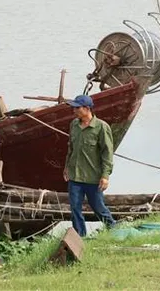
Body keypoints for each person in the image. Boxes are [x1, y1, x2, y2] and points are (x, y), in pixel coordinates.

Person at [63, 94, 116, 237]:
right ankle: (80, 237)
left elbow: (107, 153)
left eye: (77, 108)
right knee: (75, 208)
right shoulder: (74, 125)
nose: (74, 110)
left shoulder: (101, 127)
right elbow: (71, 148)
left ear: (87, 109)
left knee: (98, 208)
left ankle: (114, 229)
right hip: (75, 176)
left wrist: (105, 176)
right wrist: (67, 167)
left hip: (93, 178)